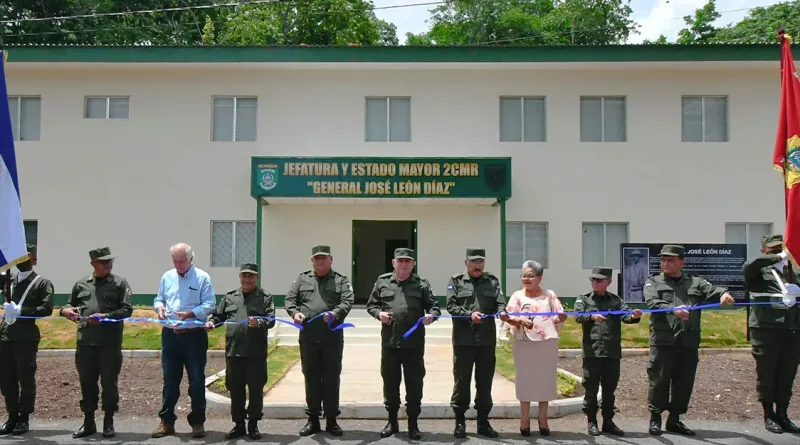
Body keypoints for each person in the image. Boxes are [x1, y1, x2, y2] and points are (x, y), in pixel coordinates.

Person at [644, 244, 735, 436]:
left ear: (681, 262)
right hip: (663, 341)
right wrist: (672, 309)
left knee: (684, 382)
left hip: (688, 342)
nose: (665, 263)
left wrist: (724, 294)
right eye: (663, 260)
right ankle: (655, 418)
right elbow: (652, 301)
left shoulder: (695, 282)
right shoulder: (653, 281)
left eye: (670, 260)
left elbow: (713, 290)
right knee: (659, 380)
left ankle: (674, 420)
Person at [366, 248, 440, 440]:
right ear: (394, 263)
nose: (404, 264)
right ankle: (392, 421)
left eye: (408, 261)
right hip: (390, 343)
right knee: (390, 384)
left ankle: (413, 424)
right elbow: (371, 305)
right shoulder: (382, 282)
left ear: (413, 264)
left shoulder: (421, 284)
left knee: (414, 384)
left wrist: (432, 316)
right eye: (400, 261)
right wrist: (378, 314)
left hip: (414, 345)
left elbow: (434, 306)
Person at [60, 246, 133, 438]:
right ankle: (88, 422)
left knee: (109, 383)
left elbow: (127, 310)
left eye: (110, 261)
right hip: (85, 342)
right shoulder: (82, 283)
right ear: (93, 263)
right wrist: (65, 311)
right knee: (87, 382)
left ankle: (108, 422)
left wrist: (107, 315)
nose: (108, 264)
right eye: (103, 262)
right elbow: (69, 304)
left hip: (109, 342)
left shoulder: (119, 283)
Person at [284, 245, 354, 437]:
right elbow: (290, 300)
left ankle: (331, 420)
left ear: (331, 260)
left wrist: (335, 313)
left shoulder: (341, 280)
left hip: (331, 338)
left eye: (324, 258)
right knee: (311, 378)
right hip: (308, 337)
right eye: (317, 258)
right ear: (312, 261)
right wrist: (295, 313)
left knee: (331, 379)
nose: (320, 261)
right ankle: (313, 419)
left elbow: (347, 301)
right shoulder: (302, 278)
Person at [151, 243, 216, 439]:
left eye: (182, 261)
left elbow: (210, 304)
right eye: (175, 261)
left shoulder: (202, 277)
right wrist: (159, 308)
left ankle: (197, 422)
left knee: (196, 380)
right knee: (170, 381)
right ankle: (166, 422)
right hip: (170, 336)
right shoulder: (167, 276)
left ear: (190, 259)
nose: (178, 265)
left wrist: (190, 314)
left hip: (193, 336)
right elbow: (159, 298)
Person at [206, 263, 275, 440]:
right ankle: (238, 425)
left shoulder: (265, 297)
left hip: (255, 354)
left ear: (256, 278)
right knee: (235, 390)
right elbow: (218, 315)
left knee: (255, 390)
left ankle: (253, 425)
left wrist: (258, 323)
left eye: (251, 276)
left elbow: (271, 319)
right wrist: (212, 322)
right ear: (240, 277)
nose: (247, 279)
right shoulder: (230, 297)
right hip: (234, 352)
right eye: (244, 276)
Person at [445, 248, 508, 438]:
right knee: (462, 381)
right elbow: (451, 306)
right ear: (466, 263)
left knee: (485, 382)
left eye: (480, 262)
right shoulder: (456, 281)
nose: (477, 265)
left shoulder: (492, 281)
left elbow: (501, 303)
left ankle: (483, 422)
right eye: (473, 262)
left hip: (486, 341)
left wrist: (502, 311)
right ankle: (460, 422)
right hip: (464, 341)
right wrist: (469, 315)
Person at [573, 267, 641, 436]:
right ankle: (591, 421)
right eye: (593, 280)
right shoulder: (584, 299)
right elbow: (577, 316)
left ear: (608, 282)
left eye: (599, 280)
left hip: (611, 353)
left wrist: (635, 316)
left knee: (609, 390)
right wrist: (592, 317)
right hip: (592, 353)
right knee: (591, 389)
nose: (594, 283)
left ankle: (608, 421)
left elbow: (626, 316)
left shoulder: (616, 300)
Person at [743, 234, 800, 434]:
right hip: (766, 330)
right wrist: (777, 257)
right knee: (767, 373)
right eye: (773, 249)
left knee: (787, 373)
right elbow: (750, 265)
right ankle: (768, 415)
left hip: (792, 329)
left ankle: (783, 414)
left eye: (780, 248)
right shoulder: (759, 271)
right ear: (764, 250)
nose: (778, 251)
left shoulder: (794, 271)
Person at [503, 260, 566, 437]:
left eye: (530, 276)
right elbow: (507, 317)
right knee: (525, 380)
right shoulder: (517, 296)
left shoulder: (549, 295)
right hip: (524, 343)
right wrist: (519, 320)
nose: (526, 278)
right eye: (524, 275)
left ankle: (543, 419)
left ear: (539, 277)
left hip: (546, 343)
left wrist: (559, 317)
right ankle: (524, 420)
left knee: (544, 380)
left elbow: (560, 315)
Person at [0, 244, 53, 436]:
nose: (22, 262)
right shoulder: (8, 280)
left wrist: (23, 311)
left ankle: (24, 418)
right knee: (6, 379)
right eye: (19, 258)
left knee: (25, 379)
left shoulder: (42, 283)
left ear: (34, 260)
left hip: (26, 337)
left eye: (26, 258)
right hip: (6, 336)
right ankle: (12, 415)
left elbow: (46, 309)